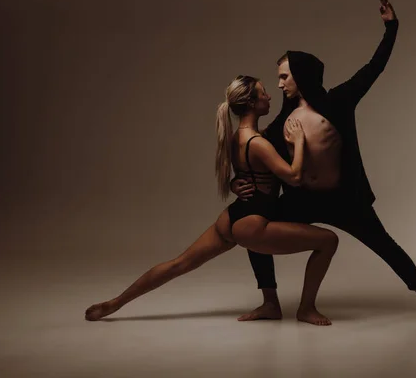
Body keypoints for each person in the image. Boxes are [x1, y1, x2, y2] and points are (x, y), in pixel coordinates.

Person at [232, 0, 416, 321]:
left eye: (284, 76)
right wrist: (237, 182)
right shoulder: (280, 123)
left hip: (343, 199)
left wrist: (391, 27)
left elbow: (373, 68)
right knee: (254, 229)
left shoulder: (339, 101)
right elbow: (254, 157)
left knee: (385, 245)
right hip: (302, 200)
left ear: (302, 75)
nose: (279, 84)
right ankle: (270, 301)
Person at [84, 75, 339, 326]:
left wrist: (233, 184)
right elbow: (294, 177)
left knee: (179, 264)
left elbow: (244, 174)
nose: (269, 96)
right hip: (253, 223)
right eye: (263, 93)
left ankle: (115, 303)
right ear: (251, 103)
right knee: (328, 241)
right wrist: (300, 141)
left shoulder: (236, 137)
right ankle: (306, 308)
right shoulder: (258, 143)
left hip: (234, 217)